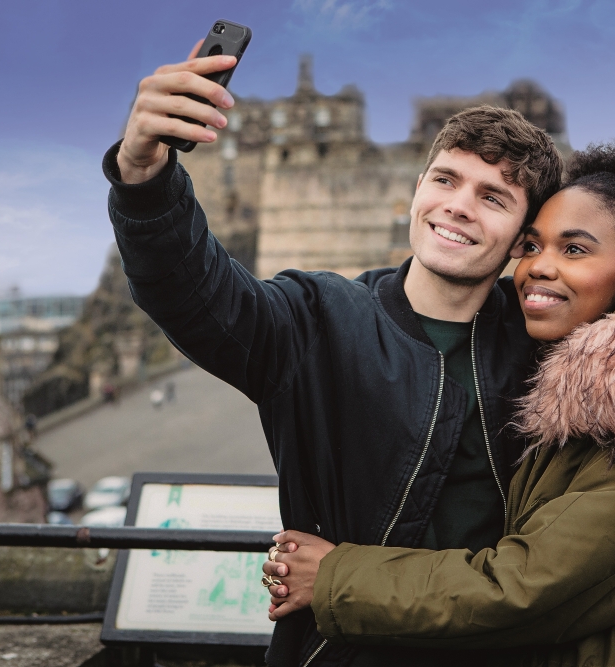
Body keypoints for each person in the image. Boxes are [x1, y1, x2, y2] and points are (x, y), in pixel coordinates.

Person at [263, 144, 615, 667]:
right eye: (530, 246)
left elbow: (528, 589)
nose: (538, 267)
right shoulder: (594, 388)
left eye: (574, 249)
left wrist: (335, 577)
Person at [104, 46, 563, 667]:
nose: (458, 205)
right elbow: (193, 293)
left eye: (494, 197)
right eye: (445, 179)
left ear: (521, 238)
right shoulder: (319, 316)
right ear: (416, 190)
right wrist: (142, 170)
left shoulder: (550, 346)